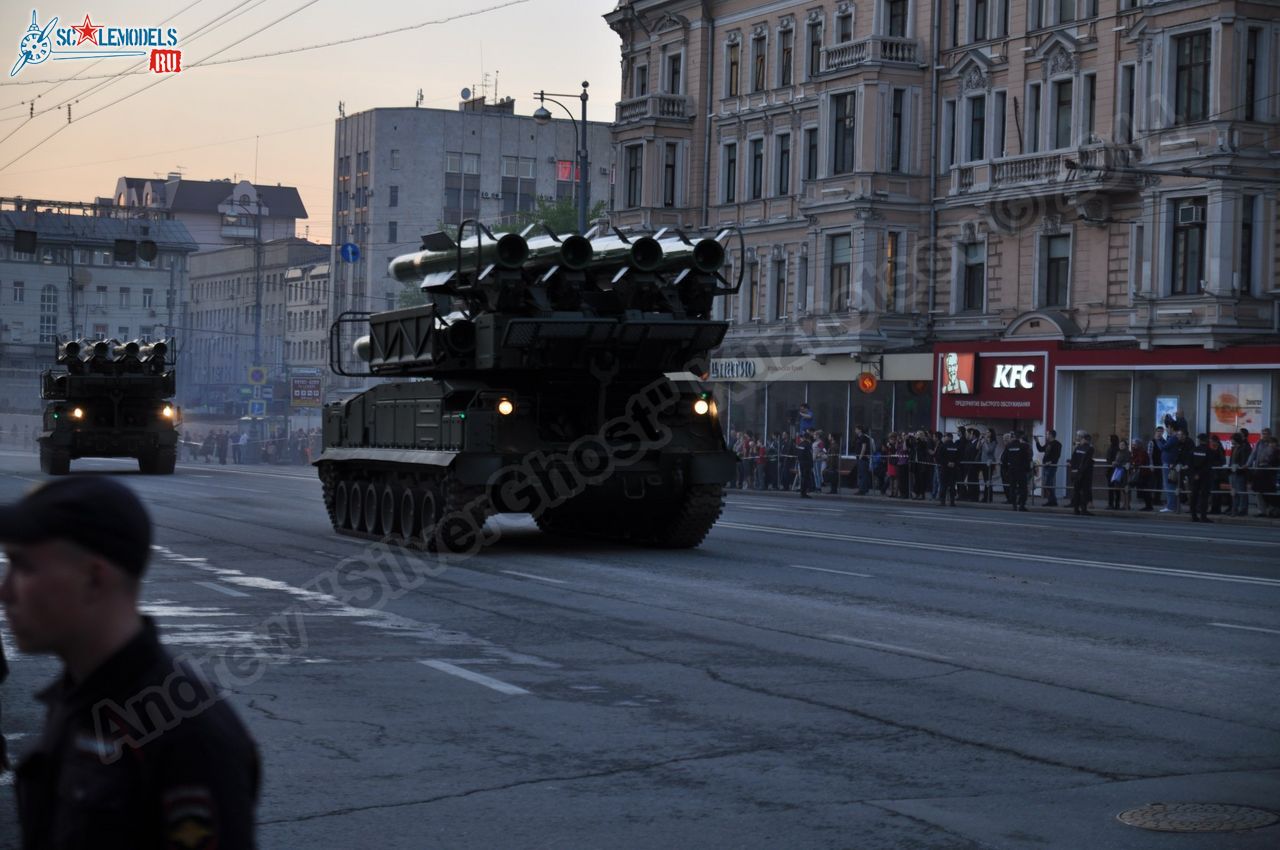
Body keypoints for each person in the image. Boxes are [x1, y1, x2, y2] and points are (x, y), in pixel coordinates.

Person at [0, 477, 260, 849]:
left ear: (93, 578)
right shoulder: (79, 699)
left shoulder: (186, 737)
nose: (4, 591)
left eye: (23, 567)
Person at [1187, 433, 1216, 523]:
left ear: (1199, 440)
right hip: (1205, 477)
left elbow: (1189, 463)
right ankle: (1203, 517)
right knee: (1204, 497)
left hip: (1194, 477)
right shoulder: (1208, 451)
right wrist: (1199, 473)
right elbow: (1208, 465)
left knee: (1194, 496)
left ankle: (1193, 516)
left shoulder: (1193, 450)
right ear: (1206, 440)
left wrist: (1194, 474)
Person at [1001, 430, 1031, 511]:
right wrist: (1027, 469)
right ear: (1020, 437)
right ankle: (1021, 505)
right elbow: (1027, 459)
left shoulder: (1009, 446)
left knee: (1012, 488)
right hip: (1021, 470)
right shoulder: (1024, 446)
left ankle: (1014, 505)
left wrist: (1006, 470)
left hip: (1011, 470)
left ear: (1013, 437)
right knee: (1023, 488)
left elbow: (1004, 460)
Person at [1069, 430, 1095, 515]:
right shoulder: (1090, 449)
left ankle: (1076, 509)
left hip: (1076, 473)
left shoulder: (1078, 448)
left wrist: (1074, 470)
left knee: (1076, 491)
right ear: (1088, 440)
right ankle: (1083, 509)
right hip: (1085, 474)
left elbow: (1073, 460)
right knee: (1085, 492)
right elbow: (1087, 462)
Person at [1229, 429, 1253, 517]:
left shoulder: (1243, 448)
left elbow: (1244, 461)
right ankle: (1234, 509)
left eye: (1232, 440)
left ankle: (1243, 509)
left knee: (1241, 492)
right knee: (1234, 492)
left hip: (1240, 473)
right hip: (1233, 472)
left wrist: (1239, 468)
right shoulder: (1235, 448)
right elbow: (1232, 460)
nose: (1231, 442)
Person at [936, 432, 961, 507]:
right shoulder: (956, 446)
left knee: (943, 485)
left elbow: (939, 457)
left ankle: (942, 501)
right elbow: (959, 457)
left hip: (944, 468)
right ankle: (952, 502)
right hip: (953, 469)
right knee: (952, 486)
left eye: (944, 436)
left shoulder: (942, 446)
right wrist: (954, 463)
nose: (944, 438)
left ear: (947, 437)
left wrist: (947, 463)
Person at [795, 433, 814, 498]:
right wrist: (811, 463)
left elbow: (798, 454)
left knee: (802, 477)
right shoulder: (808, 445)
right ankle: (804, 493)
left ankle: (802, 492)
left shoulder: (800, 444)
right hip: (807, 464)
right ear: (808, 438)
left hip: (801, 463)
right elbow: (809, 455)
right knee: (806, 478)